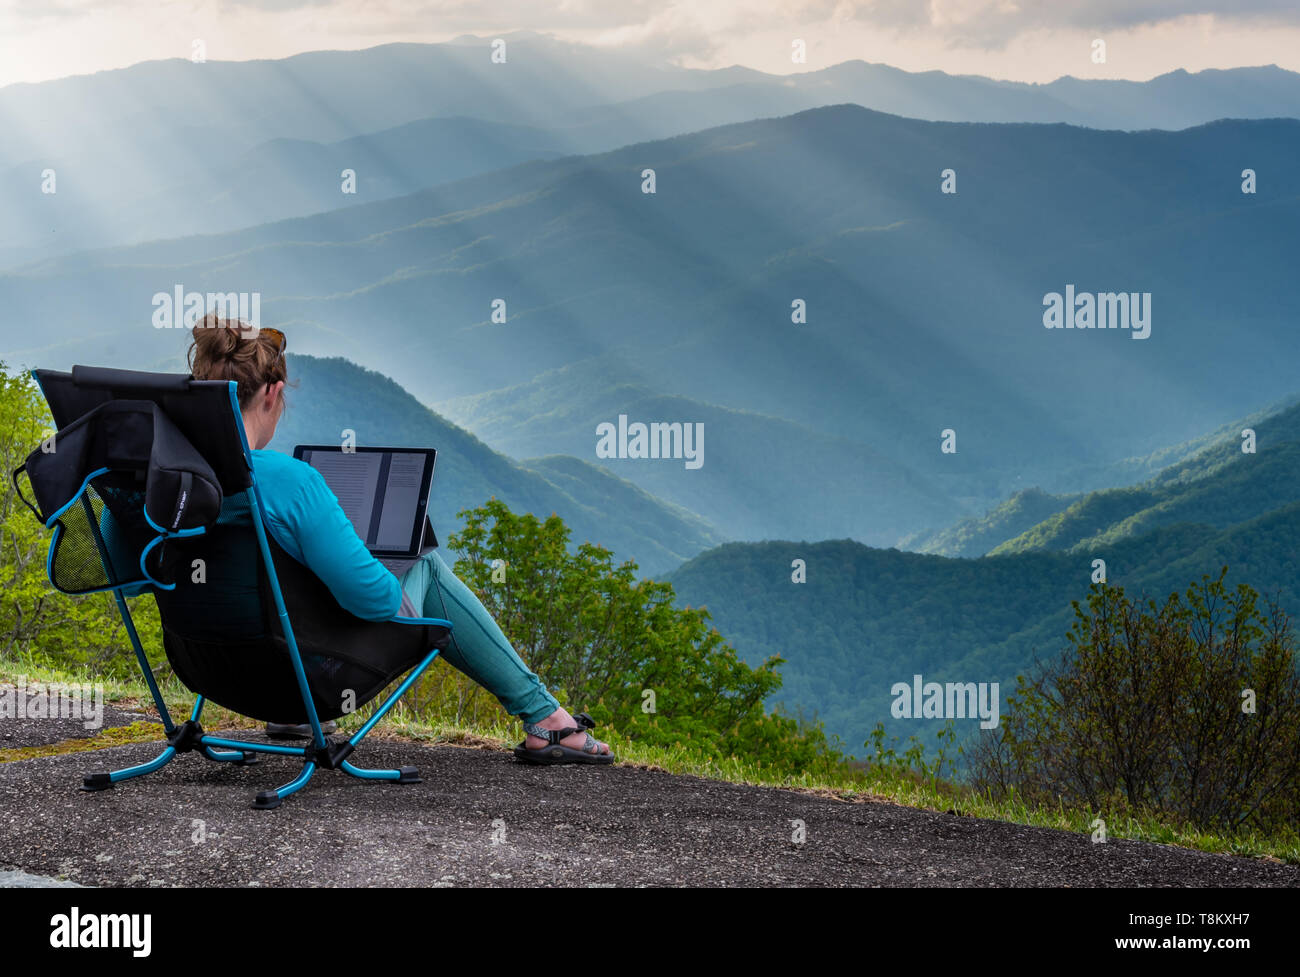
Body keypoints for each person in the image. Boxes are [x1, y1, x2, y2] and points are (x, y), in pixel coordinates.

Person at [186, 315, 613, 764]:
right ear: (272, 393)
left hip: (211, 671)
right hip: (300, 682)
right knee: (424, 567)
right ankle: (547, 720)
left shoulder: (165, 480)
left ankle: (296, 720)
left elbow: (131, 577)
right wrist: (368, 561)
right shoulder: (291, 482)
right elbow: (375, 603)